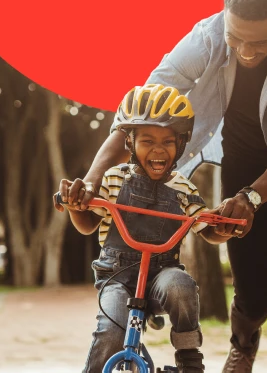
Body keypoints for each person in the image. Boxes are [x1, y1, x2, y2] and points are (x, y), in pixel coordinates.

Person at [55, 0, 267, 373]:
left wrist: (253, 198)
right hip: (245, 160)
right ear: (225, 17)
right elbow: (142, 110)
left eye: (260, 43)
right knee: (255, 290)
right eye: (237, 39)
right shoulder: (207, 36)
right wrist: (92, 180)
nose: (246, 52)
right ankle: (245, 343)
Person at [57, 84, 238, 373]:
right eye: (147, 141)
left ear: (181, 144)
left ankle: (189, 359)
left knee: (181, 286)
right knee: (112, 329)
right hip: (116, 277)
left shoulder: (182, 188)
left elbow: (206, 227)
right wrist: (76, 207)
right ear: (129, 143)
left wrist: (224, 228)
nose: (158, 149)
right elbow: (88, 225)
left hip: (160, 278)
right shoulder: (115, 179)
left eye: (168, 141)